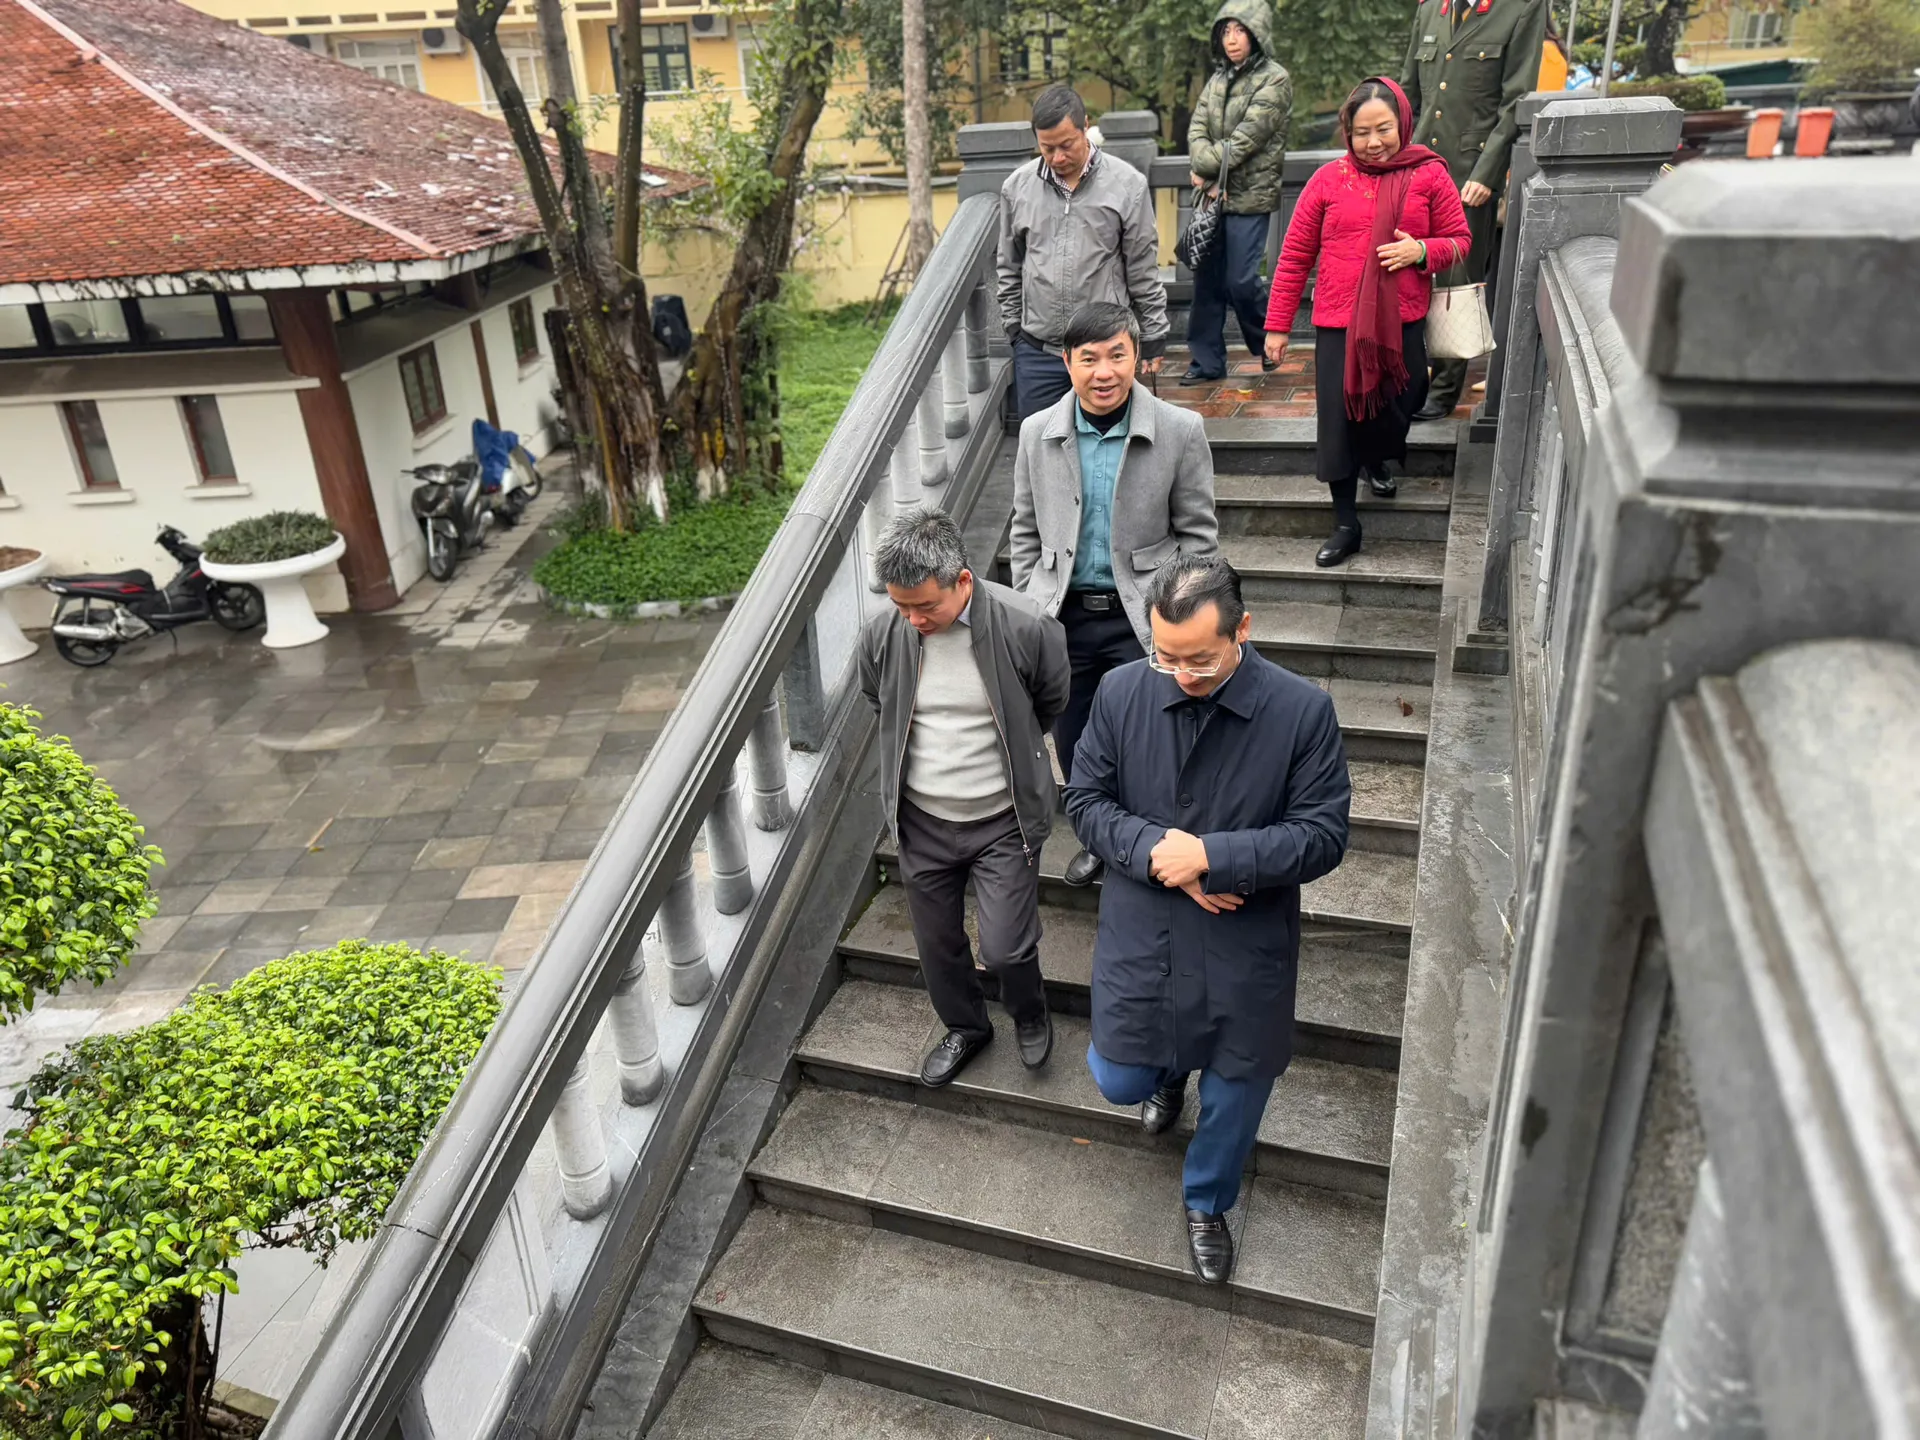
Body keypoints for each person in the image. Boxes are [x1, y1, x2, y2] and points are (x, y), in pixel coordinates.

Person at [1065, 553, 1351, 1285]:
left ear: (1241, 629)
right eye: (1166, 657)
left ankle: (1207, 1200)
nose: (1181, 674)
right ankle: (1165, 1072)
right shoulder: (1122, 691)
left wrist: (1214, 858)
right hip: (1147, 919)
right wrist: (1160, 851)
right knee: (1117, 1077)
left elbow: (1323, 835)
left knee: (1236, 1086)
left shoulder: (1301, 712)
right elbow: (1086, 800)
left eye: (1200, 659)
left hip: (1243, 930)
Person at [859, 506, 1071, 1087]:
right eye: (902, 606)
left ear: (962, 580)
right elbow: (879, 701)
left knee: (1006, 948)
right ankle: (967, 1026)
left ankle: (1029, 1011)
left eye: (925, 606)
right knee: (937, 944)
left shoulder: (1025, 625)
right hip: (923, 819)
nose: (914, 619)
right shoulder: (884, 633)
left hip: (1002, 818)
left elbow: (1050, 703)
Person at [1010, 301, 1218, 888]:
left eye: (1116, 356)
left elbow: (1200, 538)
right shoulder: (1036, 432)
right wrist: (1029, 602)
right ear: (1067, 362)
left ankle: (1154, 840)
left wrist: (1188, 614)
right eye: (1089, 359)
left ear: (1136, 356)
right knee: (1075, 740)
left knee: (1151, 735)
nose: (1104, 372)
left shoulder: (1179, 430)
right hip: (1064, 620)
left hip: (1144, 617)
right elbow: (1024, 529)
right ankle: (1099, 839)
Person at [1263, 77, 1471, 568]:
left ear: (1403, 124)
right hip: (1339, 321)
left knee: (1404, 400)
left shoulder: (1429, 175)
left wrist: (1421, 251)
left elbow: (1460, 240)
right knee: (1338, 420)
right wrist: (1277, 325)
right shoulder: (1328, 180)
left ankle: (1376, 456)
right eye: (1362, 133)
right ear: (1348, 132)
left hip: (1401, 320)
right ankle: (1346, 523)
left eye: (1383, 129)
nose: (1373, 142)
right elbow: (1294, 255)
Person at [1400, 0, 1550, 420]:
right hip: (1417, 167)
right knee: (1404, 270)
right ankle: (1406, 377)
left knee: (1455, 281)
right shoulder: (1431, 10)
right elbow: (1409, 92)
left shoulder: (1520, 9)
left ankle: (1444, 389)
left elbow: (1515, 100)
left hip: (1469, 175)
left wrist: (1488, 171)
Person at [997, 85, 1170, 421]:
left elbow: (1142, 267)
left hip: (1104, 350)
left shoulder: (1127, 185)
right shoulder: (1017, 188)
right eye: (1047, 148)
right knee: (1042, 443)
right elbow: (1009, 264)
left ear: (1085, 126)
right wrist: (1015, 329)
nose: (1058, 157)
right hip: (1039, 351)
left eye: (1067, 145)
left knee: (1109, 444)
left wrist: (1153, 334)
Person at [1183, 0, 1294, 385]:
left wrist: (1205, 169)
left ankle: (1267, 342)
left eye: (1240, 31)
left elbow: (1246, 140)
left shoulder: (1274, 79)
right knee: (1206, 282)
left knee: (1241, 281)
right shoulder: (1217, 80)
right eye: (1226, 31)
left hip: (1250, 196)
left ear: (1256, 34)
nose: (1231, 39)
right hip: (1213, 197)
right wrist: (1206, 169)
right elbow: (1197, 129)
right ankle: (1206, 362)